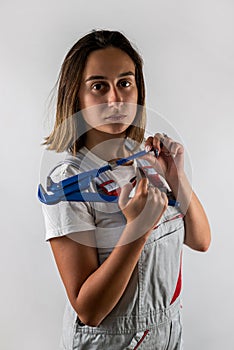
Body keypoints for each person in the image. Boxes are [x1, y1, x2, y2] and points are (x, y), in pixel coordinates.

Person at [41, 30, 211, 350]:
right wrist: (137, 228)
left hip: (169, 334)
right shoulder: (67, 185)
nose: (115, 100)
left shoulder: (147, 161)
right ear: (75, 96)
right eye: (98, 86)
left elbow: (200, 240)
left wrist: (177, 177)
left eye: (125, 82)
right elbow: (89, 310)